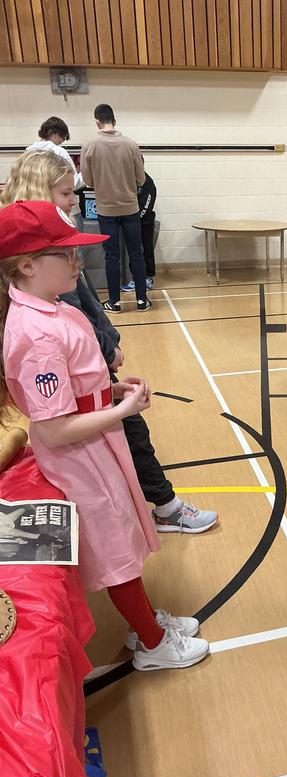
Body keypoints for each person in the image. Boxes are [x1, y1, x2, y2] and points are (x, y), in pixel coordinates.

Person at [0, 200, 209, 670]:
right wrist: (124, 408)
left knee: (122, 536)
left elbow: (71, 389)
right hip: (79, 456)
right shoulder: (36, 336)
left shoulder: (52, 310)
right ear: (28, 264)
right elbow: (53, 427)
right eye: (66, 254)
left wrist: (110, 390)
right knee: (114, 548)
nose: (79, 261)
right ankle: (153, 644)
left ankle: (145, 624)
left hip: (95, 445)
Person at [0, 150, 219, 535]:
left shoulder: (51, 267)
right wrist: (105, 350)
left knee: (125, 442)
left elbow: (79, 309)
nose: (73, 201)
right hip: (83, 391)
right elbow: (55, 423)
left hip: (92, 374)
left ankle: (157, 507)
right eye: (65, 193)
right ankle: (166, 507)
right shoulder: (41, 293)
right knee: (129, 438)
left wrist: (107, 366)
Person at [80, 104, 150, 313]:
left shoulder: (89, 146)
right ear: (115, 121)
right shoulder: (131, 145)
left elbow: (87, 180)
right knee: (136, 254)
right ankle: (141, 300)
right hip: (130, 208)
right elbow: (141, 179)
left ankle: (114, 302)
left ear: (97, 122)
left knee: (111, 256)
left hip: (106, 209)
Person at [122, 172, 157, 292]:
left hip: (145, 221)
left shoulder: (147, 181)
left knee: (146, 248)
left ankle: (148, 278)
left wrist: (137, 218)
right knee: (134, 251)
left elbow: (147, 204)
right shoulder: (126, 178)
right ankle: (135, 278)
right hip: (130, 221)